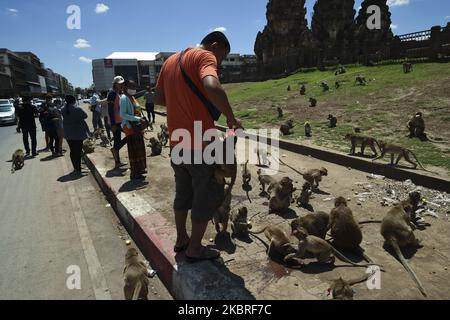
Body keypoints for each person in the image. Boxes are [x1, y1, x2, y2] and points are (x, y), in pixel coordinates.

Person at [154, 31, 241, 263]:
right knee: (207, 194)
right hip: (200, 145)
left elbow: (158, 98)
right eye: (221, 58)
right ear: (214, 45)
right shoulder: (204, 56)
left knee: (183, 193)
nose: (219, 63)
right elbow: (211, 86)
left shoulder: (170, 61)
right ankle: (194, 249)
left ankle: (181, 239)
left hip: (177, 143)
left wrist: (181, 104)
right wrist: (231, 118)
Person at [120, 80, 147, 180]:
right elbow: (123, 114)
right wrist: (138, 119)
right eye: (131, 86)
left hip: (137, 127)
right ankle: (134, 173)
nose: (133, 89)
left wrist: (141, 119)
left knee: (140, 150)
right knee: (134, 151)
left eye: (134, 86)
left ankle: (140, 169)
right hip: (130, 128)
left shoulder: (132, 97)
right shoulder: (124, 98)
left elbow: (137, 110)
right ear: (126, 87)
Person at [61, 95, 90, 174]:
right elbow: (85, 116)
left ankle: (76, 168)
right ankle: (78, 169)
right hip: (77, 133)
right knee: (78, 151)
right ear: (74, 101)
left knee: (72, 151)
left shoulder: (63, 110)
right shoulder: (77, 109)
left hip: (68, 134)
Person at [108, 76, 128, 168]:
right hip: (115, 122)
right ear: (115, 84)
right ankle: (115, 150)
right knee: (129, 135)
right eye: (119, 84)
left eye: (122, 83)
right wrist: (112, 124)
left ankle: (117, 161)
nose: (121, 85)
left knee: (117, 140)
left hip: (120, 120)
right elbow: (110, 109)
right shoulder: (112, 94)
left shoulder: (119, 93)